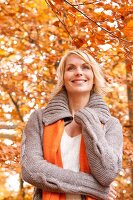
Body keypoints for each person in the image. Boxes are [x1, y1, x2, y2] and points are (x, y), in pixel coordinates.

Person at [21, 50, 123, 200]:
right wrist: (93, 188)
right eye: (71, 68)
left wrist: (89, 119)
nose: (78, 72)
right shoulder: (40, 119)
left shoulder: (111, 124)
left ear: (94, 77)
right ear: (63, 78)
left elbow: (107, 173)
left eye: (85, 67)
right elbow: (31, 170)